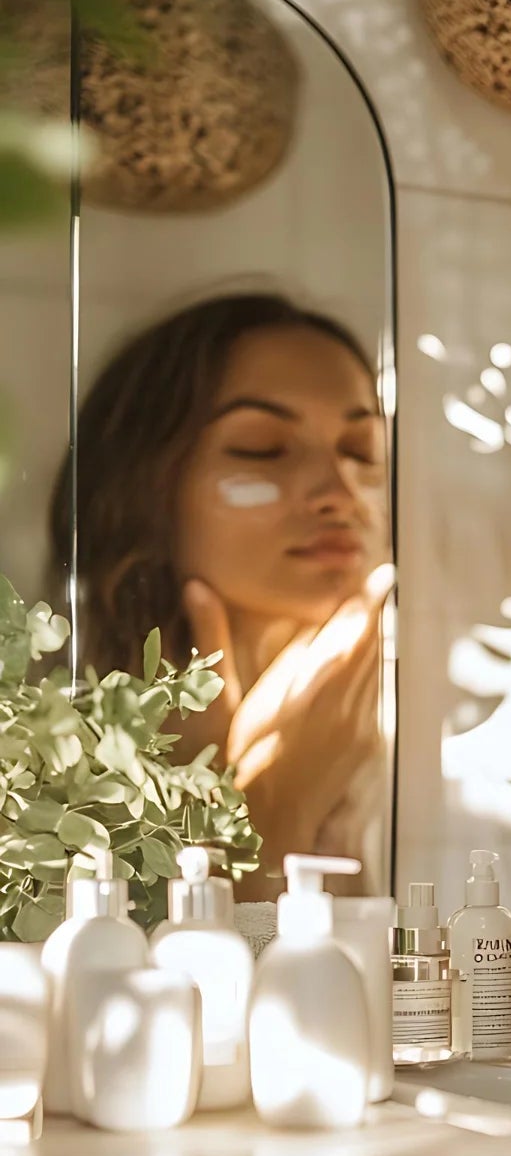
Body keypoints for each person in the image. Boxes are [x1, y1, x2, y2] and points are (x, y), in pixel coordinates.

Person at [49, 292, 391, 895]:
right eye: (263, 448)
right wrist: (271, 805)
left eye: (361, 450)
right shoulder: (42, 773)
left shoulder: (423, 764)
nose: (340, 492)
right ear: (142, 492)